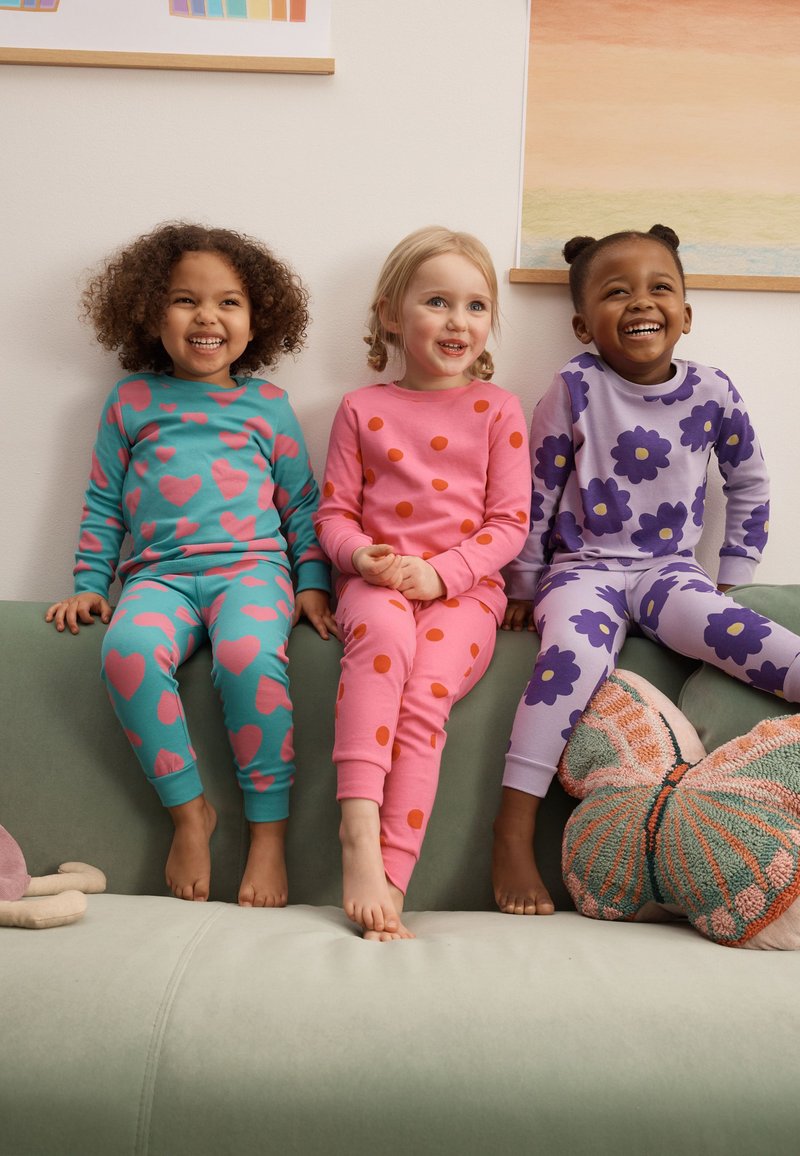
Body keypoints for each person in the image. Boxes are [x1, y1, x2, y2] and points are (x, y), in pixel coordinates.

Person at [493, 224, 800, 917]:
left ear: (686, 314)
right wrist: (522, 584)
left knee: (751, 637)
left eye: (661, 287)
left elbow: (749, 482)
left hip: (669, 574)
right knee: (570, 655)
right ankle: (510, 828)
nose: (642, 302)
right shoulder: (574, 387)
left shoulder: (713, 390)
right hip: (583, 573)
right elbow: (536, 491)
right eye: (616, 291)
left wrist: (735, 574)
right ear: (582, 323)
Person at [46, 222, 337, 906]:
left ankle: (267, 834)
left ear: (257, 318)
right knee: (127, 651)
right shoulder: (132, 401)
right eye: (185, 300)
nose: (207, 316)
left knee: (246, 658)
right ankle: (190, 814)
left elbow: (301, 504)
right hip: (158, 578)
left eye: (228, 302)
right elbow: (102, 504)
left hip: (252, 573)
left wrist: (313, 583)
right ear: (151, 313)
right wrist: (90, 584)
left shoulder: (267, 405)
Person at [314, 226, 531, 940]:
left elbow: (509, 526)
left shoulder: (498, 409)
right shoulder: (359, 409)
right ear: (388, 314)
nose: (457, 321)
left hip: (465, 594)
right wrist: (363, 559)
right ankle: (357, 831)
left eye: (475, 306)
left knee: (424, 695)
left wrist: (439, 574)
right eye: (437, 301)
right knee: (378, 634)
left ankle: (392, 876)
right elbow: (335, 515)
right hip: (378, 586)